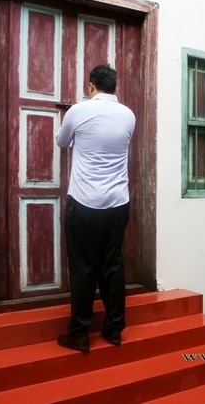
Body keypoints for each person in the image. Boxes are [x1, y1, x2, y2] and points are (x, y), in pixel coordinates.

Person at [55, 64, 136, 352]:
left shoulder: (78, 111)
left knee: (83, 267)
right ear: (115, 86)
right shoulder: (128, 116)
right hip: (117, 204)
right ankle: (114, 329)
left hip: (85, 203)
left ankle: (80, 333)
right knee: (112, 265)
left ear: (91, 86)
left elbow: (62, 141)